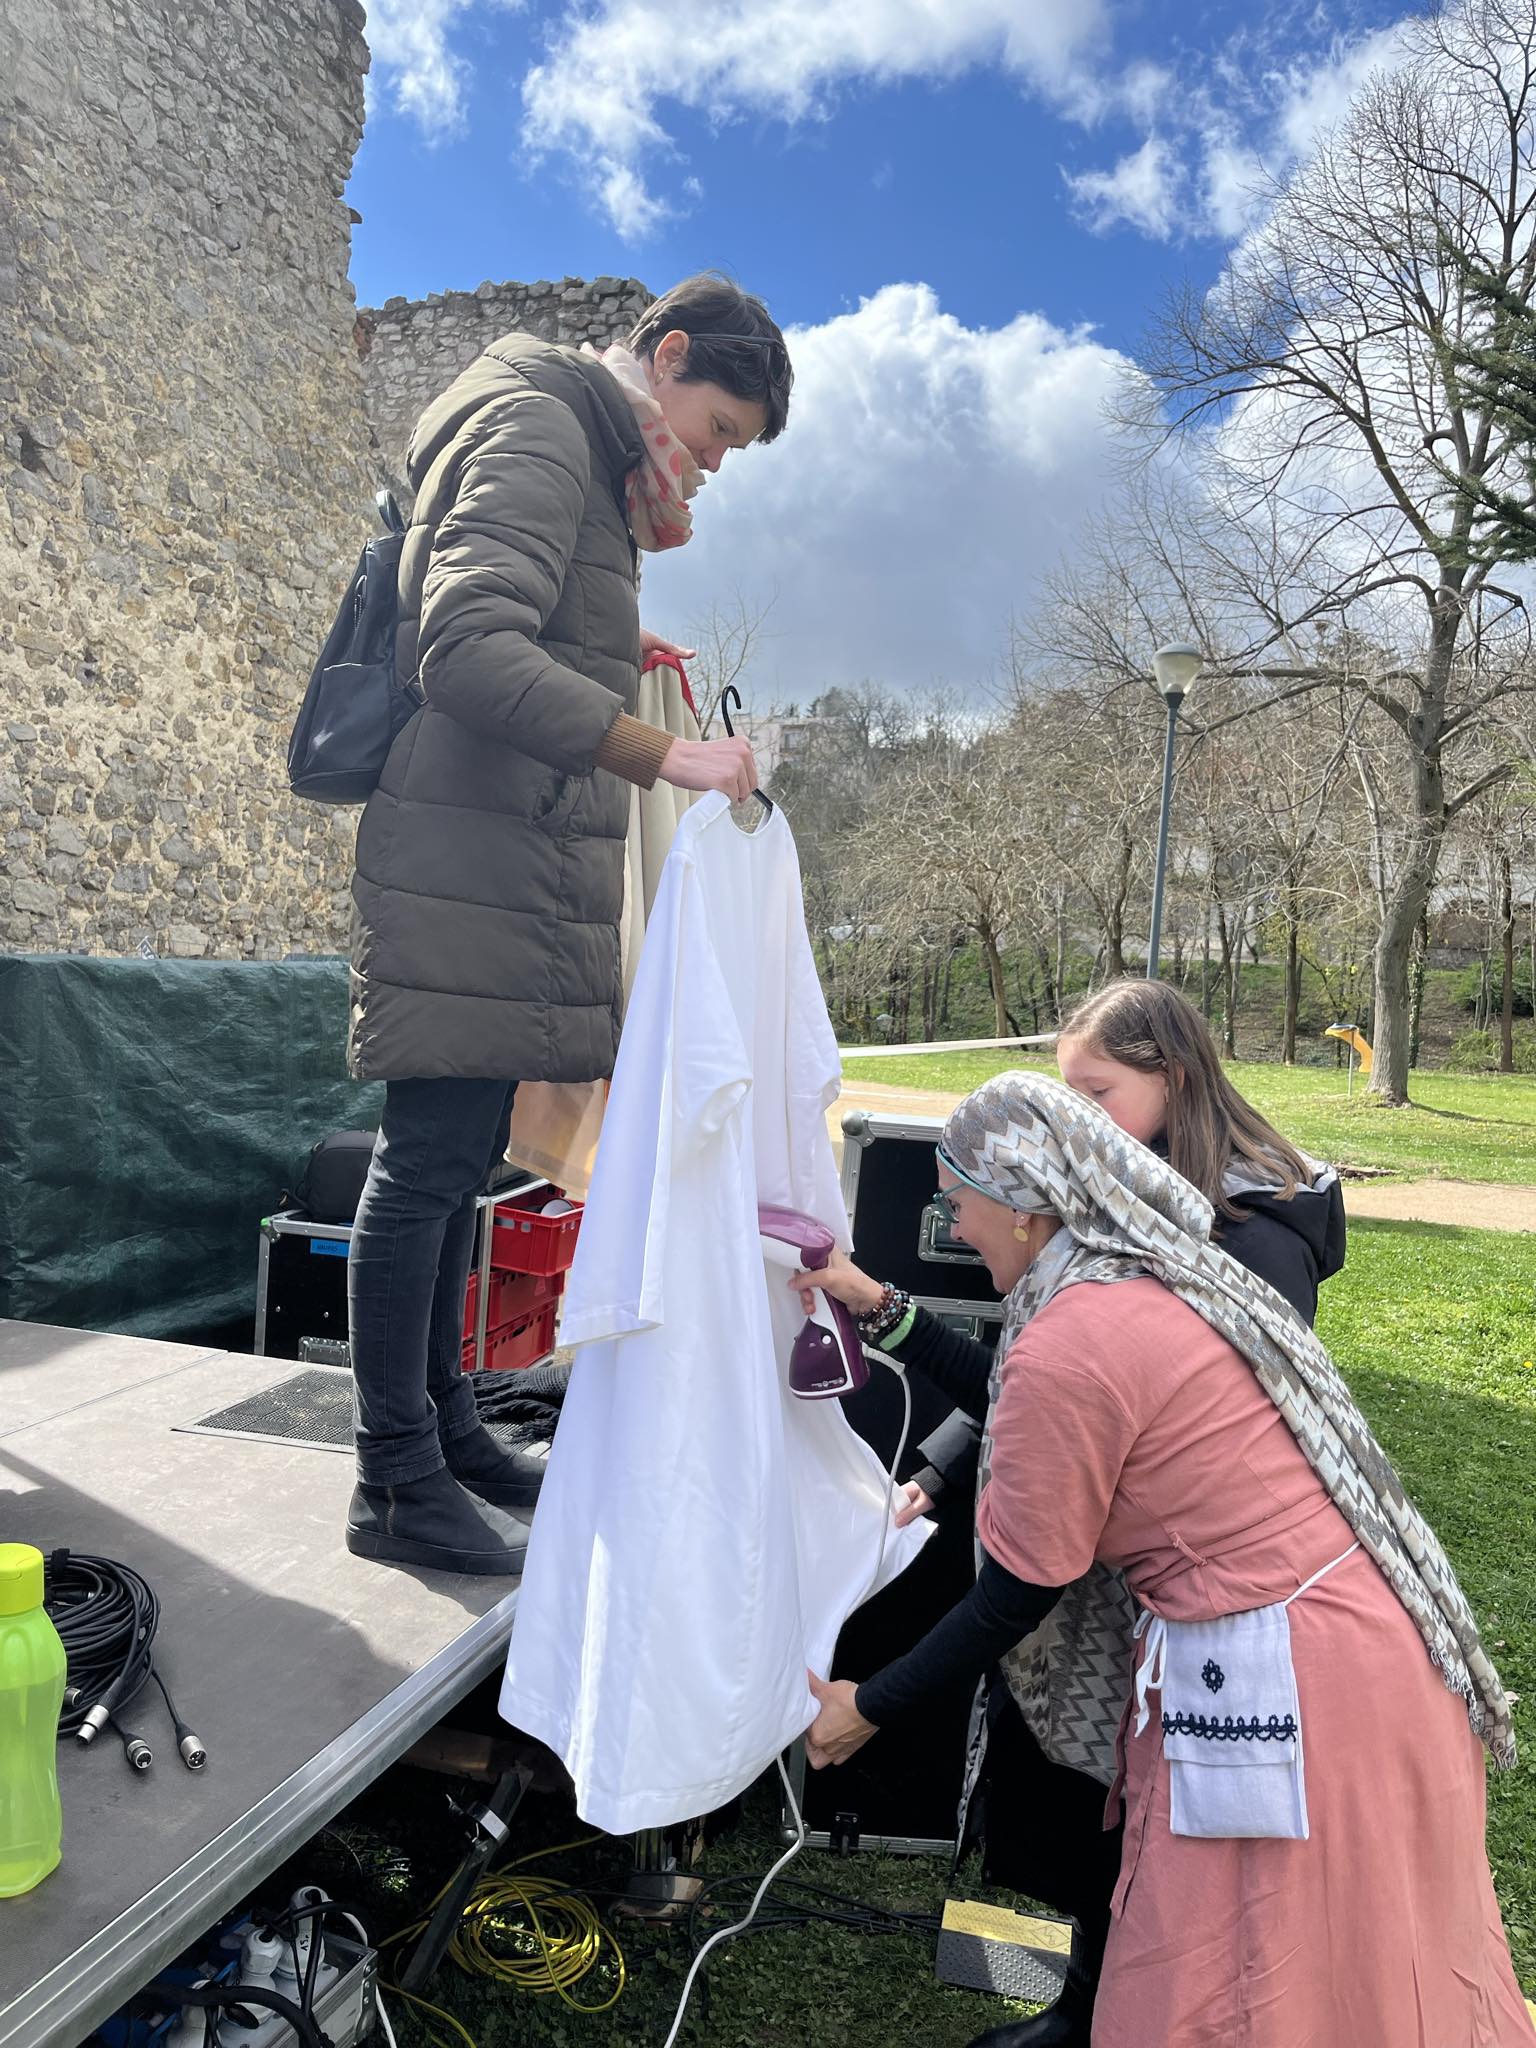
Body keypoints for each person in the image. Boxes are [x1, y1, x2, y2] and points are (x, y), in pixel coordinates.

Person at [797, 1073, 1527, 2048]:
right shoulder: (1123, 1275)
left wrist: (868, 1704)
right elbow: (1019, 1396)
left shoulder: (1070, 1334)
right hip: (1355, 1651)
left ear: (1020, 1205)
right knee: (1352, 1982)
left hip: (1288, 1686)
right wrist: (877, 1304)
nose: (954, 1225)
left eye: (955, 1200)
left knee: (1239, 1984)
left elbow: (1018, 1590)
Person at [343, 274, 792, 1575]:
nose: (714, 464)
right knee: (424, 1165)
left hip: (499, 853)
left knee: (457, 1160)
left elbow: (516, 616)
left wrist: (612, 648)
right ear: (668, 356)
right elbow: (466, 647)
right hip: (465, 852)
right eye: (719, 429)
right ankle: (393, 1479)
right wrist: (665, 753)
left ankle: (443, 1433)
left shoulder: (583, 444)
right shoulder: (542, 420)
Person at [889, 980, 1348, 2043]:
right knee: (1085, 1796)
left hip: (1189, 1590)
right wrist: (951, 1462)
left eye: (1095, 1091)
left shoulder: (1253, 1235)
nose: (1076, 1113)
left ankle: (1111, 2007)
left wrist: (874, 1700)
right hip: (1114, 1552)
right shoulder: (1115, 1204)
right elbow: (1046, 1376)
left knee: (1149, 1817)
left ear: (1171, 1079)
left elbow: (1119, 1398)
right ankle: (1083, 1993)